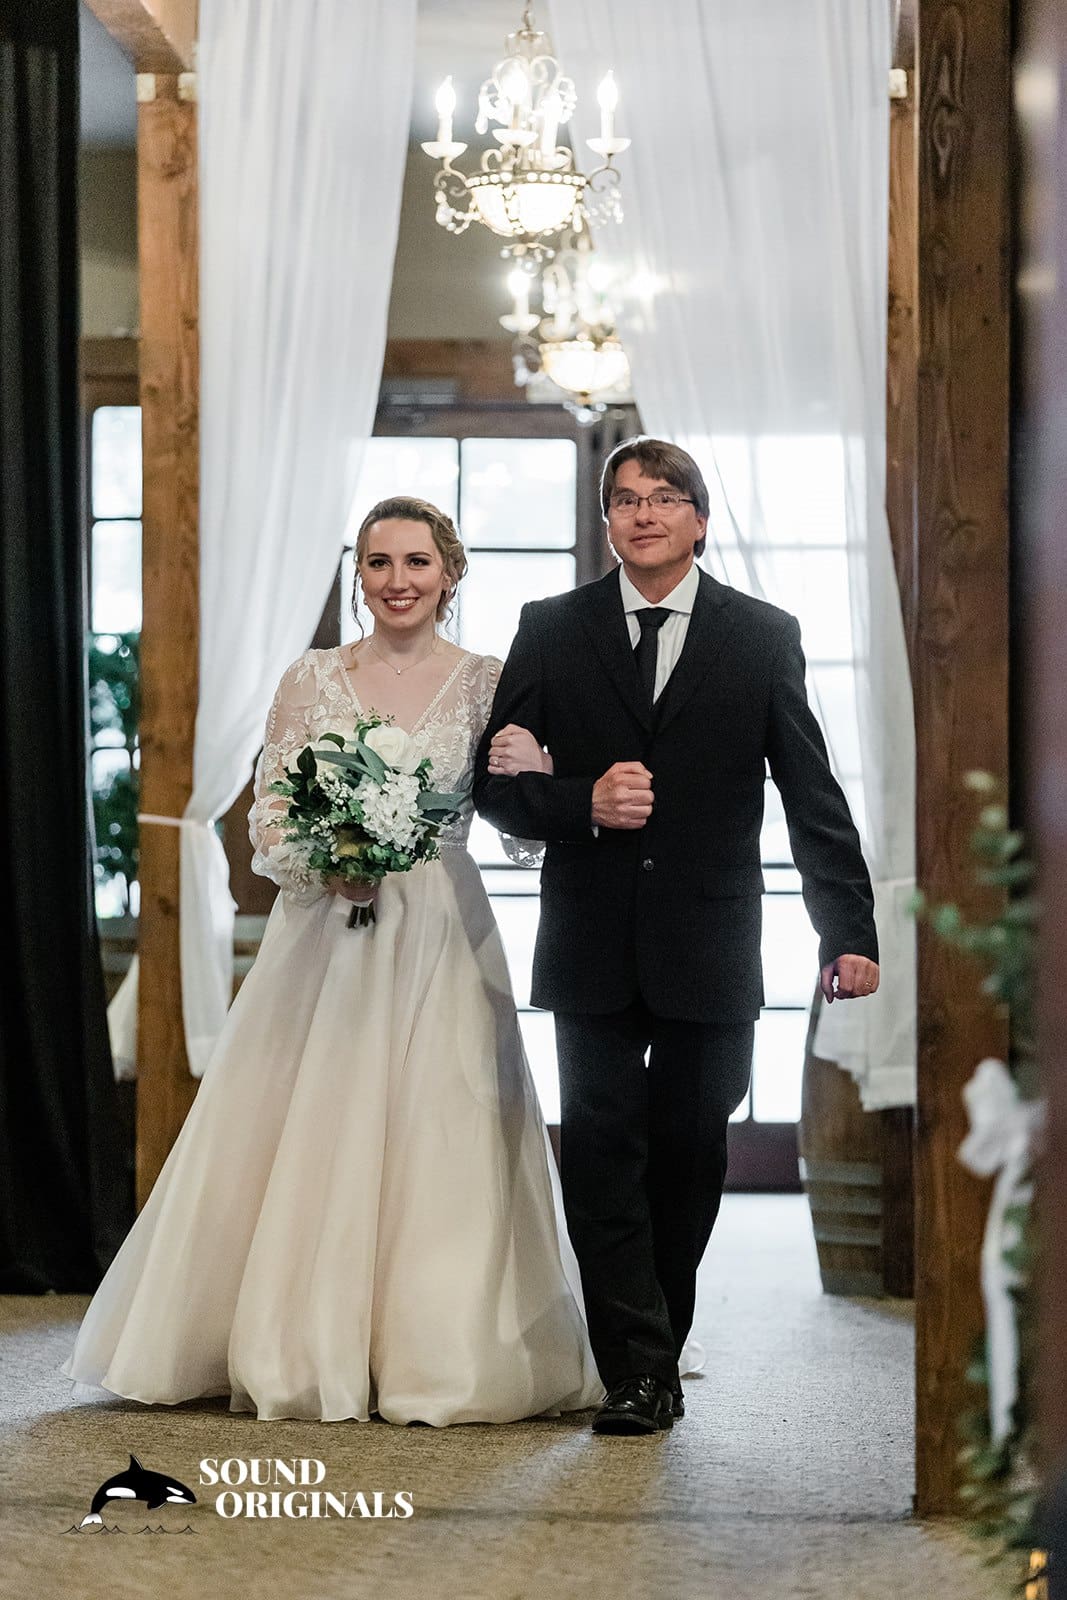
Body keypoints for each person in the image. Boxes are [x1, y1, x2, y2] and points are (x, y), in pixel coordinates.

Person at [60, 495, 602, 1426]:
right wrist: (328, 858)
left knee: (446, 1117)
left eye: (417, 563)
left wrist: (538, 771)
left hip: (441, 923)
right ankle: (293, 1339)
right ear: (360, 576)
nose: (398, 581)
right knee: (307, 1116)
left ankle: (436, 1348)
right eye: (379, 563)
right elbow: (270, 813)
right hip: (325, 930)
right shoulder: (312, 677)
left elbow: (520, 832)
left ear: (449, 574)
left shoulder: (487, 681)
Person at [473, 437, 880, 1437]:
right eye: (624, 499)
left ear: (698, 518)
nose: (643, 513)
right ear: (606, 520)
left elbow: (811, 792)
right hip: (589, 941)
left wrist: (846, 929)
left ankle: (651, 1340)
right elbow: (495, 790)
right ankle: (640, 1371)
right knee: (601, 1147)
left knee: (690, 1153)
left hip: (712, 941)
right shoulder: (549, 626)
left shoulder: (762, 635)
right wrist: (581, 801)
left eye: (663, 497)